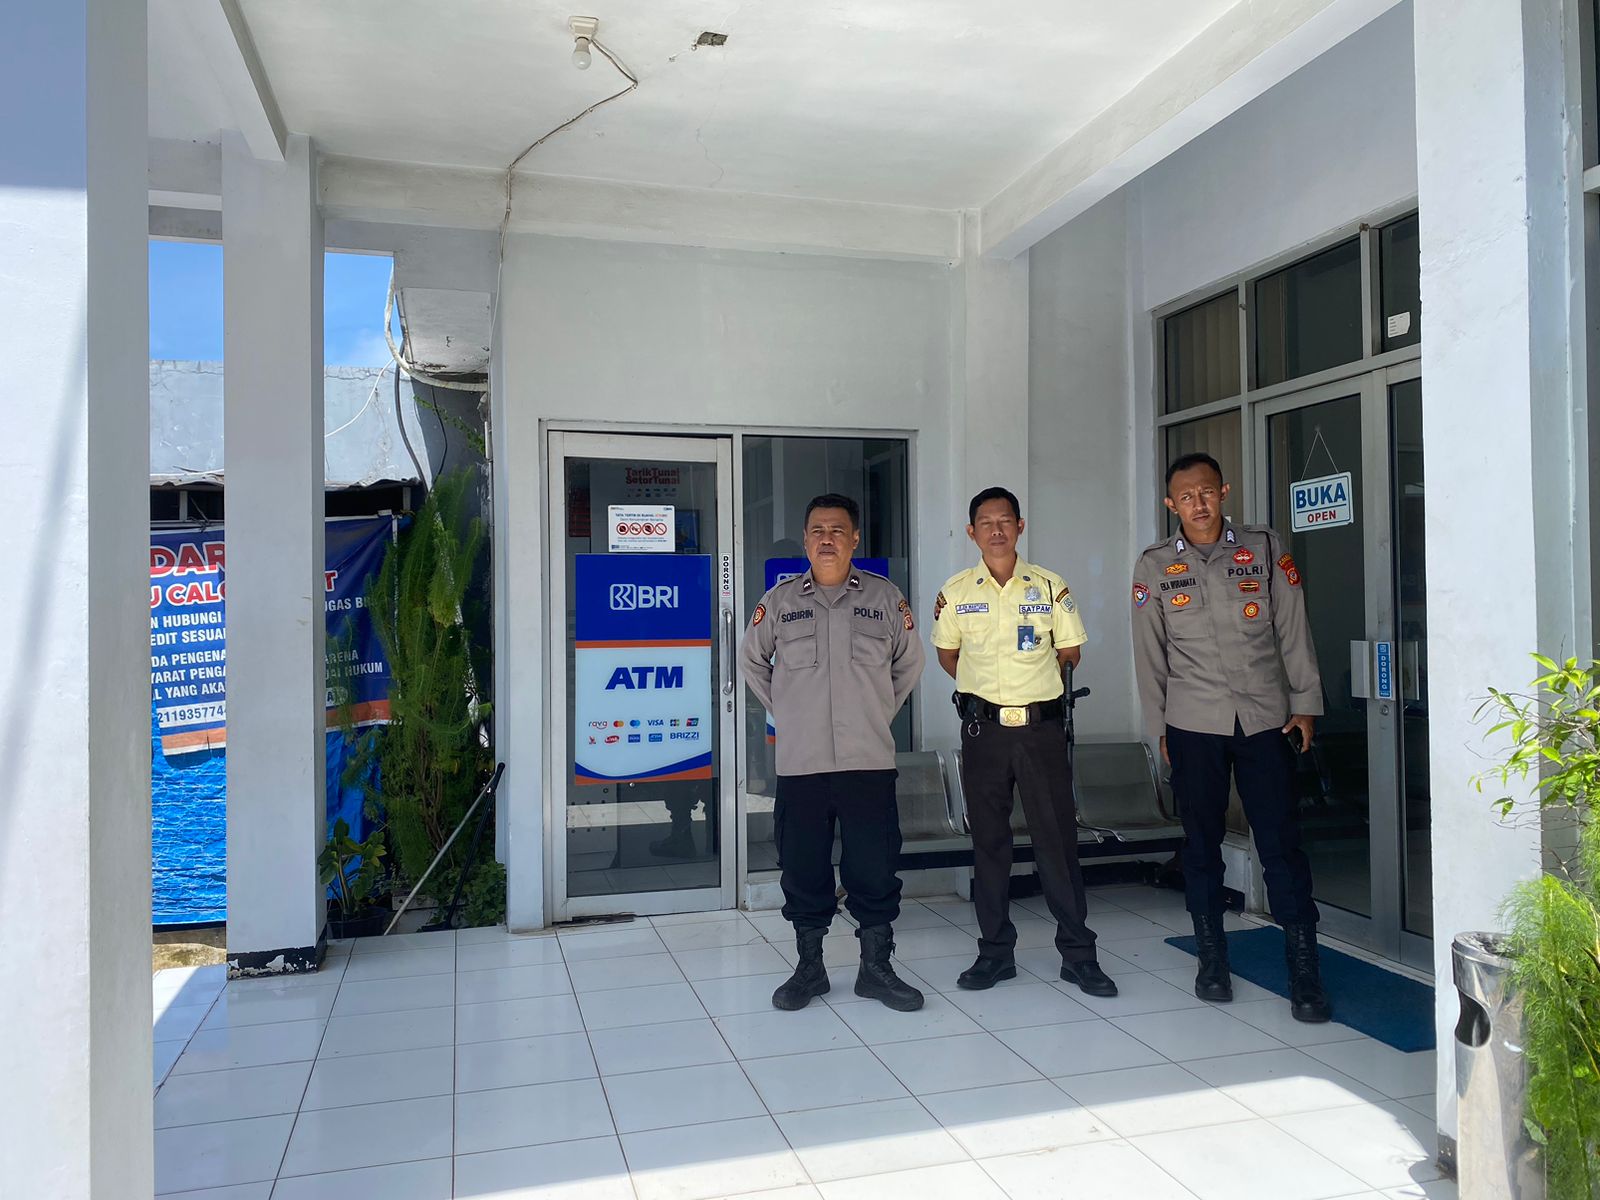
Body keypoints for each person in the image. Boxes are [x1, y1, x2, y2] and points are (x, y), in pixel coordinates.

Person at [1131, 451, 1331, 1022]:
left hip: (1267, 720)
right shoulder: (1153, 565)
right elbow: (1150, 657)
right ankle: (1211, 958)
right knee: (1200, 845)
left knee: (1281, 843)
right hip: (1193, 725)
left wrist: (1306, 704)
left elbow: (1293, 628)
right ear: (1171, 504)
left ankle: (1304, 967)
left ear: (1224, 491)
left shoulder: (1264, 549)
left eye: (1206, 492)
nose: (1198, 503)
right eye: (1185, 496)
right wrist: (1159, 729)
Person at [741, 493, 926, 1011]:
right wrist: (788, 711)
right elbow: (752, 661)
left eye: (838, 530)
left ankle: (876, 969)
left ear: (855, 539)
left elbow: (909, 663)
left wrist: (876, 711)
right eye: (818, 530)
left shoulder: (885, 598)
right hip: (801, 763)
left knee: (875, 866)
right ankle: (810, 969)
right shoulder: (780, 602)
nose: (827, 539)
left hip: (868, 759)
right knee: (803, 867)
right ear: (805, 540)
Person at [932, 487, 1117, 998]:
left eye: (1005, 520)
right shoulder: (955, 591)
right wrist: (986, 696)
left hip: (1040, 731)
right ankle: (995, 953)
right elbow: (948, 656)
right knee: (990, 844)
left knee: (1056, 841)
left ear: (1020, 526)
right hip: (984, 733)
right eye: (986, 522)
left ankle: (1078, 955)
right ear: (971, 532)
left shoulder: (1050, 586)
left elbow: (1070, 651)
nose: (996, 530)